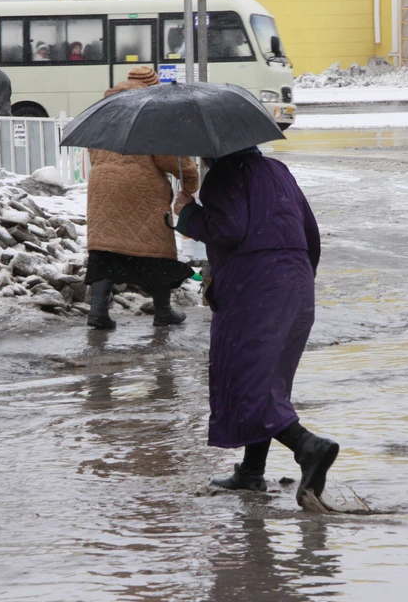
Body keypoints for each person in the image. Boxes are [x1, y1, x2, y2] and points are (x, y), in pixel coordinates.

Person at [173, 147, 340, 509]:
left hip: (256, 285)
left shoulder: (224, 174)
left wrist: (187, 215)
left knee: (242, 377)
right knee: (266, 380)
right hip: (295, 282)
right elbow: (310, 232)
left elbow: (228, 230)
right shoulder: (277, 170)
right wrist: (294, 279)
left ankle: (308, 447)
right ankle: (251, 472)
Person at [84, 66, 199, 329]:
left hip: (103, 187)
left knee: (106, 249)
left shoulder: (105, 109)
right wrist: (190, 180)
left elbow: (93, 151)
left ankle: (98, 311)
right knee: (155, 249)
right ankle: (163, 311)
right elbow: (169, 156)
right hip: (141, 190)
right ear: (153, 86)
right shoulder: (152, 112)